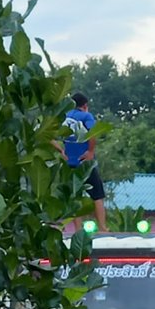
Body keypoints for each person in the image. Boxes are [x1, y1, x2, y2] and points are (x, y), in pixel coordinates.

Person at [56, 92, 106, 229]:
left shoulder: (64, 117)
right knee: (98, 195)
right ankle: (103, 228)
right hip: (84, 161)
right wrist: (90, 151)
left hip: (69, 162)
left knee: (74, 196)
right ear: (85, 105)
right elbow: (93, 133)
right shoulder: (86, 116)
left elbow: (48, 136)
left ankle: (78, 229)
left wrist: (60, 149)